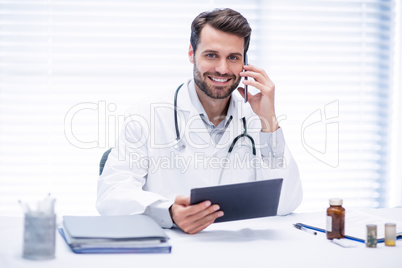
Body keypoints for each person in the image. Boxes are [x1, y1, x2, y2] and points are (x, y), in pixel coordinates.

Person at [97, 8, 302, 234]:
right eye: (211, 55)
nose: (223, 69)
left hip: (239, 249)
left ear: (245, 63)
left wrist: (268, 120)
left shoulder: (257, 117)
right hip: (174, 249)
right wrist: (169, 212)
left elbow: (286, 202)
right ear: (191, 53)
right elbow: (112, 194)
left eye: (233, 57)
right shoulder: (147, 114)